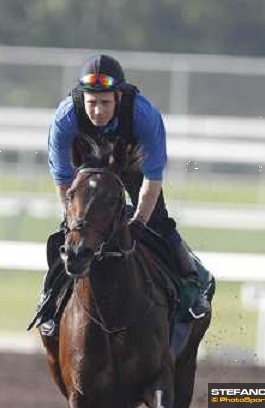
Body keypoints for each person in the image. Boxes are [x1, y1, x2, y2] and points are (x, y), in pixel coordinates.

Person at [30, 54, 211, 336]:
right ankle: (49, 301)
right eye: (92, 103)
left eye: (105, 102)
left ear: (118, 97)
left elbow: (153, 179)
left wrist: (138, 221)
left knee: (158, 224)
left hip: (132, 161)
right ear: (82, 99)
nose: (98, 111)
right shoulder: (65, 118)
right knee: (69, 232)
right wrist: (73, 219)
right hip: (86, 165)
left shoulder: (143, 115)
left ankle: (192, 286)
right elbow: (64, 182)